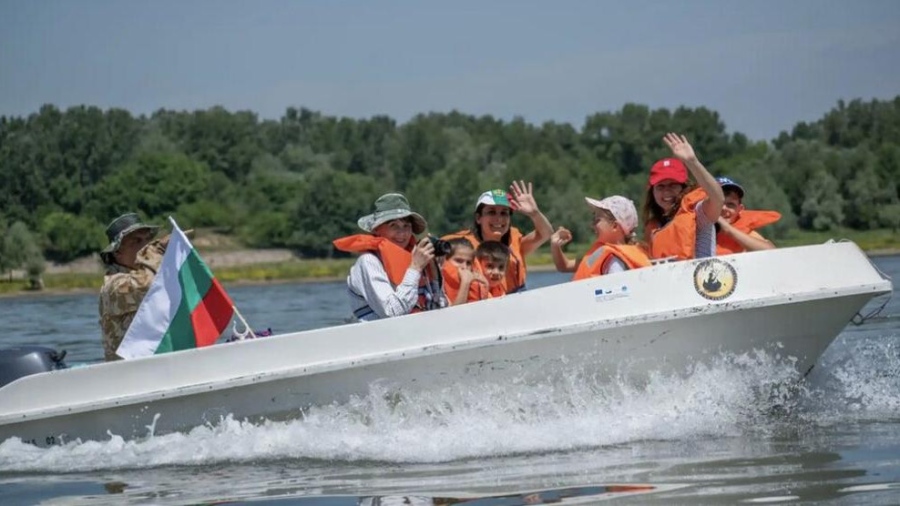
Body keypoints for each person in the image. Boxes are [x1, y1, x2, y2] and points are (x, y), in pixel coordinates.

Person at [333, 193, 447, 321]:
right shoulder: (368, 262)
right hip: (380, 337)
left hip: (414, 332)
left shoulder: (416, 257)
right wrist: (415, 268)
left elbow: (440, 307)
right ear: (376, 230)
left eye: (406, 226)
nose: (402, 233)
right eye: (394, 226)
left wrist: (436, 273)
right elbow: (392, 313)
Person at [442, 181, 553, 294]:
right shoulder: (460, 244)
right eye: (491, 212)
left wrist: (535, 213)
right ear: (478, 218)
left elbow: (545, 234)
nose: (498, 219)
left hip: (515, 300)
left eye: (504, 213)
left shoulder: (513, 241)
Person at [641, 133, 725, 260]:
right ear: (652, 191)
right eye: (660, 186)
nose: (666, 192)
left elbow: (718, 199)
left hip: (699, 278)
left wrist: (692, 162)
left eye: (673, 185)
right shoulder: (653, 226)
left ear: (684, 187)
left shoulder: (698, 213)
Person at [98, 212, 168, 362]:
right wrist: (157, 251)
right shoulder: (113, 285)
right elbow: (148, 286)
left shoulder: (149, 272)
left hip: (156, 363)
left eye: (148, 239)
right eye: (136, 241)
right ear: (117, 253)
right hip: (128, 373)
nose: (146, 245)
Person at [550, 195, 651, 279]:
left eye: (597, 220)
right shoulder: (601, 253)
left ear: (615, 226)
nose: (592, 225)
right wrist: (555, 246)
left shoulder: (614, 262)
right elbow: (564, 266)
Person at [715, 176, 780, 254]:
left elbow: (773, 253)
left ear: (740, 209)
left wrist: (728, 230)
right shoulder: (697, 225)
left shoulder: (744, 231)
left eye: (730, 205)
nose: (723, 208)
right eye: (718, 202)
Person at [440, 237, 488, 305]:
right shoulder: (439, 283)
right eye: (459, 261)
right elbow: (455, 314)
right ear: (445, 260)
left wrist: (485, 287)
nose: (464, 267)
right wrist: (465, 283)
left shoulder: (478, 281)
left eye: (468, 263)